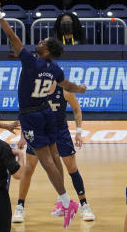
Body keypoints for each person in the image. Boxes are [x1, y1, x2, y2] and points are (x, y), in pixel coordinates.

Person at [0, 0, 88, 227]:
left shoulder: (30, 60)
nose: (41, 42)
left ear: (47, 50)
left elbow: (11, 35)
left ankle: (67, 203)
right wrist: (81, 89)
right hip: (46, 113)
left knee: (45, 162)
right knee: (54, 157)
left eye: (44, 42)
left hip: (31, 115)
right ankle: (64, 200)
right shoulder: (55, 69)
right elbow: (69, 86)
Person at [13, 85, 95, 222]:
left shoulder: (63, 90)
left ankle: (85, 205)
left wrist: (79, 133)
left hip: (60, 132)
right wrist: (23, 136)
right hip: (38, 131)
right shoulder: (35, 89)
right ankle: (20, 206)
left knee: (72, 168)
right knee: (29, 168)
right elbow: (26, 113)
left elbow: (76, 109)